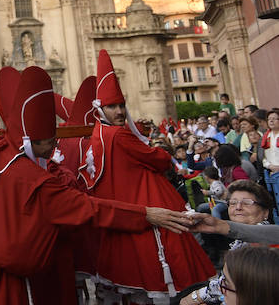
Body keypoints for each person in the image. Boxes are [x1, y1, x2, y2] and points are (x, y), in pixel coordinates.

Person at [0, 66, 195, 305]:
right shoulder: (36, 181)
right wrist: (148, 214)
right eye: (48, 142)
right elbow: (92, 209)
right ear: (29, 142)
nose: (54, 147)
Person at [79, 50, 214, 304]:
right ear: (100, 108)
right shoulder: (118, 135)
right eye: (112, 106)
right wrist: (153, 146)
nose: (119, 111)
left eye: (121, 105)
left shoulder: (100, 134)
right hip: (145, 203)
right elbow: (160, 158)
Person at [181, 181, 275, 305]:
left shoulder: (264, 247)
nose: (238, 207)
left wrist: (195, 297)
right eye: (233, 203)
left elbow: (231, 288)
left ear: (265, 213)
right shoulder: (240, 240)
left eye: (247, 203)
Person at [261, 109, 279, 221]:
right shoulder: (266, 136)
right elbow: (264, 157)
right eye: (269, 119)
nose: (271, 121)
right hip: (271, 172)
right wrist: (269, 166)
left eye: (274, 119)